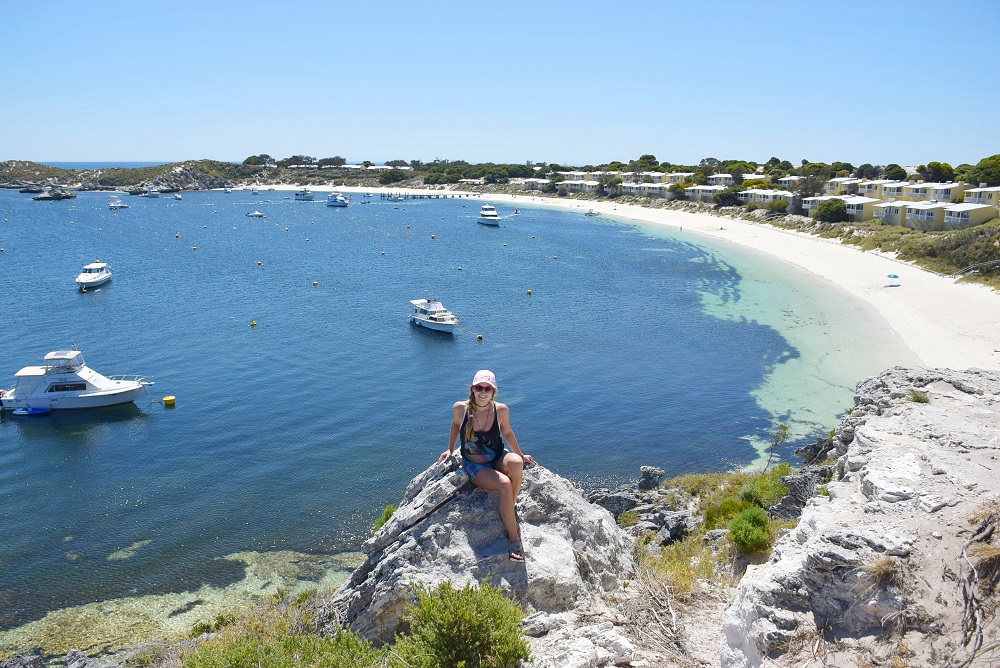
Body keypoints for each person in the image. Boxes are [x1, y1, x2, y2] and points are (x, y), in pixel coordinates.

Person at [437, 370, 536, 562]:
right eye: (478, 387)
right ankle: (514, 540)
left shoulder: (501, 410)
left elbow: (506, 432)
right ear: (472, 389)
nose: (483, 392)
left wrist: (521, 454)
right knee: (505, 484)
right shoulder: (461, 408)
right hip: (475, 464)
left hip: (497, 456)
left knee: (516, 463)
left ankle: (509, 507)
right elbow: (455, 425)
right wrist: (450, 449)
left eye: (487, 388)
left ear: (493, 391)